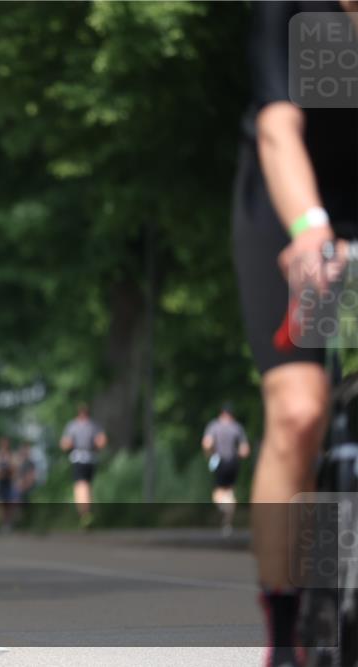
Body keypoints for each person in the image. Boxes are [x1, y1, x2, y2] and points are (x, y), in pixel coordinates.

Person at [231, 3, 358, 665]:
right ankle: (285, 634)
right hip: (288, 202)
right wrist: (310, 227)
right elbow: (280, 126)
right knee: (301, 409)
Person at [201, 403, 250, 535]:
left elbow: (207, 443)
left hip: (219, 461)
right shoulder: (237, 427)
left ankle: (223, 507)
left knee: (218, 491)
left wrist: (209, 454)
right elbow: (245, 450)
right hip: (233, 462)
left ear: (221, 413)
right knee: (229, 491)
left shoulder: (214, 426)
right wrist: (237, 454)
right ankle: (227, 524)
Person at [60, 403, 107, 529]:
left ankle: (84, 515)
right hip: (91, 459)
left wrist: (70, 444)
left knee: (81, 487)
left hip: (80, 459)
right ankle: (86, 513)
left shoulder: (73, 426)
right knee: (87, 486)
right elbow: (102, 441)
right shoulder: (93, 425)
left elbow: (64, 444)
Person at [0, 436, 16, 531]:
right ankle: (3, 524)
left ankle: (8, 524)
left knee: (8, 503)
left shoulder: (10, 455)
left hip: (8, 482)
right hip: (0, 481)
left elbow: (14, 469)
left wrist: (6, 471)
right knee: (1, 503)